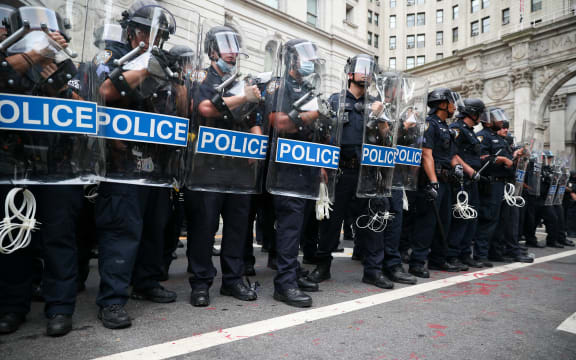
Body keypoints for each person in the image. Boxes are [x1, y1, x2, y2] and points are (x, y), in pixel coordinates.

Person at [0, 4, 90, 336]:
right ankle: (12, 306)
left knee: (59, 237)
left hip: (56, 164)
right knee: (14, 235)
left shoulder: (63, 64)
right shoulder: (10, 60)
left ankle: (60, 308)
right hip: (13, 162)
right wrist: (34, 56)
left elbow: (77, 102)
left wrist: (57, 70)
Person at [94, 0, 184, 329]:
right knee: (122, 231)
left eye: (159, 34)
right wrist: (146, 69)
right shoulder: (113, 56)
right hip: (121, 162)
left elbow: (177, 108)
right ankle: (112, 299)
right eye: (147, 31)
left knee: (153, 227)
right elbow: (103, 91)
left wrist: (176, 79)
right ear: (132, 31)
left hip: (156, 164)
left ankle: (145, 282)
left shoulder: (162, 60)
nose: (153, 39)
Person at [185, 25, 261, 307]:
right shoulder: (202, 78)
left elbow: (256, 117)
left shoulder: (243, 81)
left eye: (235, 47)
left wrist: (256, 143)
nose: (232, 53)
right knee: (204, 226)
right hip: (207, 165)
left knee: (238, 227)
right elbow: (205, 108)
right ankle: (201, 282)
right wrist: (244, 97)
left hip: (239, 166)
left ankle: (233, 280)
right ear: (212, 51)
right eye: (226, 47)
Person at [308, 55, 398, 288]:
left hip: (368, 172)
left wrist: (380, 117)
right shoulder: (336, 101)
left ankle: (373, 270)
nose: (366, 74)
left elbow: (387, 139)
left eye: (370, 70)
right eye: (361, 69)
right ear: (350, 73)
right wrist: (322, 166)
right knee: (330, 223)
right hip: (340, 171)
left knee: (371, 222)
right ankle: (322, 266)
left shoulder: (377, 103)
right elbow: (323, 134)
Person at [266, 39, 333, 307]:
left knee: (301, 225)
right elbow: (278, 122)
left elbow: (316, 133)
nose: (310, 62)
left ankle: (292, 271)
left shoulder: (308, 88)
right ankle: (284, 284)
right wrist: (311, 114)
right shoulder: (278, 86)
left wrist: (320, 165)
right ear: (292, 59)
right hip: (286, 166)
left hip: (307, 165)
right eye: (305, 57)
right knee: (290, 226)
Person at [407, 88, 466, 278]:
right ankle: (417, 262)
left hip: (446, 180)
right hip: (433, 181)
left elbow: (452, 155)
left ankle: (438, 259)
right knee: (427, 223)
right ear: (442, 104)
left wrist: (456, 167)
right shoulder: (429, 125)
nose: (454, 107)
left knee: (444, 222)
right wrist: (433, 182)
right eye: (451, 102)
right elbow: (426, 154)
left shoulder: (446, 128)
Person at [445, 98, 486, 268]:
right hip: (462, 179)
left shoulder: (470, 131)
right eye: (479, 113)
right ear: (473, 113)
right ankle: (452, 254)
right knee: (461, 217)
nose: (481, 117)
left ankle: (464, 253)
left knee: (471, 218)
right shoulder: (457, 129)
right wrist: (469, 170)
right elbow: (453, 154)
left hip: (473, 179)